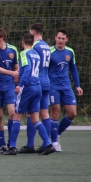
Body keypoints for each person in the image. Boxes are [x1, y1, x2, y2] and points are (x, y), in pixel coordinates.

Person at [2, 33, 55, 155]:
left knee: (17, 116)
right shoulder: (36, 54)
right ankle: (48, 144)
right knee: (35, 118)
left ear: (22, 42)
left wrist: (20, 85)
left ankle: (13, 147)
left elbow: (27, 69)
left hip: (28, 87)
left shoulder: (24, 53)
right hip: (38, 87)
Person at [49, 29, 83, 152]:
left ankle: (57, 134)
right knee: (55, 112)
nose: (61, 40)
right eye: (59, 38)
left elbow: (73, 69)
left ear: (66, 40)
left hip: (66, 86)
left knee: (72, 113)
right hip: (53, 86)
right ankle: (53, 142)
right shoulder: (49, 51)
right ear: (55, 38)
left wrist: (78, 85)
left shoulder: (70, 52)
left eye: (63, 38)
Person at [20, 23, 52, 153]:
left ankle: (30, 144)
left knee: (31, 114)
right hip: (46, 81)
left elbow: (31, 66)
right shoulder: (47, 46)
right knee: (44, 113)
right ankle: (47, 144)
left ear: (32, 33)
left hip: (36, 82)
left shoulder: (34, 47)